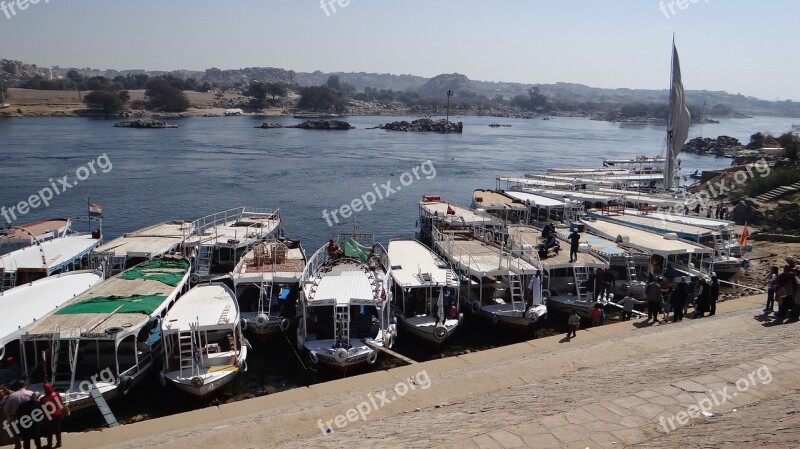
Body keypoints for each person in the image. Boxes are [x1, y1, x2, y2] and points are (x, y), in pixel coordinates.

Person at [4, 380, 34, 449]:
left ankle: (18, 446)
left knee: (16, 434)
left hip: (15, 418)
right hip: (29, 417)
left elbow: (5, 409)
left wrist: (8, 417)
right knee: (27, 434)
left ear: (17, 386)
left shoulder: (12, 395)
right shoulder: (31, 393)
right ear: (25, 385)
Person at [40, 384, 63, 449]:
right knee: (57, 428)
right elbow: (60, 404)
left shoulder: (43, 399)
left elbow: (43, 409)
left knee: (49, 431)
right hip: (58, 414)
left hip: (49, 416)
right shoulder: (56, 394)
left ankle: (49, 445)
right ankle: (59, 442)